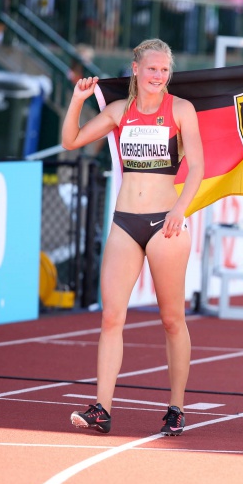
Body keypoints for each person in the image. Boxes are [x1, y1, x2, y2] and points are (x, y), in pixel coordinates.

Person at [62, 39, 204, 435]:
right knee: (111, 317)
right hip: (125, 221)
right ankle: (102, 409)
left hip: (165, 223)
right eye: (152, 68)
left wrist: (180, 209)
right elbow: (71, 141)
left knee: (172, 319)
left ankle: (176, 407)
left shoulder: (180, 109)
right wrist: (77, 100)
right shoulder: (119, 111)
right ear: (136, 69)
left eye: (164, 70)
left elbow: (197, 167)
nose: (158, 75)